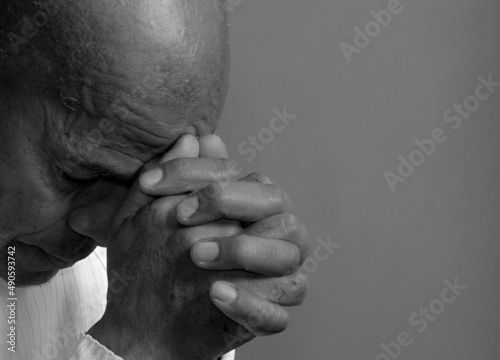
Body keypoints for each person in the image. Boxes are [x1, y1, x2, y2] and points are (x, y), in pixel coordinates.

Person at [0, 1, 310, 359]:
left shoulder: (146, 278)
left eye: (140, 189)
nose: (105, 234)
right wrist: (140, 344)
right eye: (77, 174)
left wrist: (184, 326)